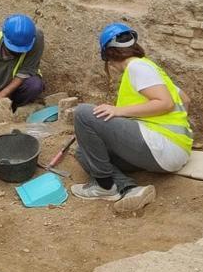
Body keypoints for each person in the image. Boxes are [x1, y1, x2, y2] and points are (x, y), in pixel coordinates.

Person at [70, 23, 193, 213]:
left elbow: (165, 103)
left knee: (83, 113)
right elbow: (185, 100)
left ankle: (104, 187)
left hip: (162, 146)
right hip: (174, 151)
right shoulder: (152, 69)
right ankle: (130, 189)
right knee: (84, 152)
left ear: (109, 56)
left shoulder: (137, 68)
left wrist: (120, 111)